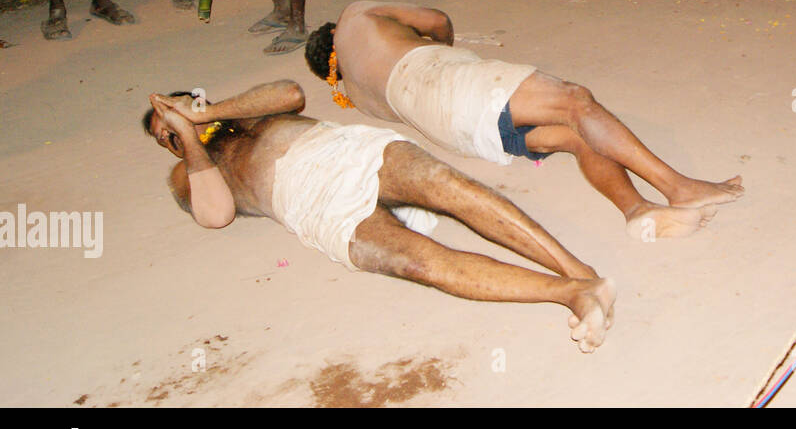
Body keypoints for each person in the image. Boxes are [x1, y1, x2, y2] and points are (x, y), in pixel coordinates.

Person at [143, 82, 616, 352]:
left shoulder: (241, 113)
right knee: (420, 263)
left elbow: (290, 93)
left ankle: (581, 272)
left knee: (450, 188)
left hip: (348, 150)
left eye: (172, 119)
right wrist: (189, 143)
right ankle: (573, 294)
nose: (171, 134)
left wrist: (209, 113)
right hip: (313, 204)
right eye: (164, 135)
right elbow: (216, 214)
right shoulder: (188, 173)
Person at [305, 3, 744, 238]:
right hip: (449, 82)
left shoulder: (356, 95)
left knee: (577, 137)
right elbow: (437, 20)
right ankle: (677, 187)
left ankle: (636, 210)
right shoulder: (355, 16)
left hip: (453, 131)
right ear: (334, 35)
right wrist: (447, 49)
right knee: (576, 101)